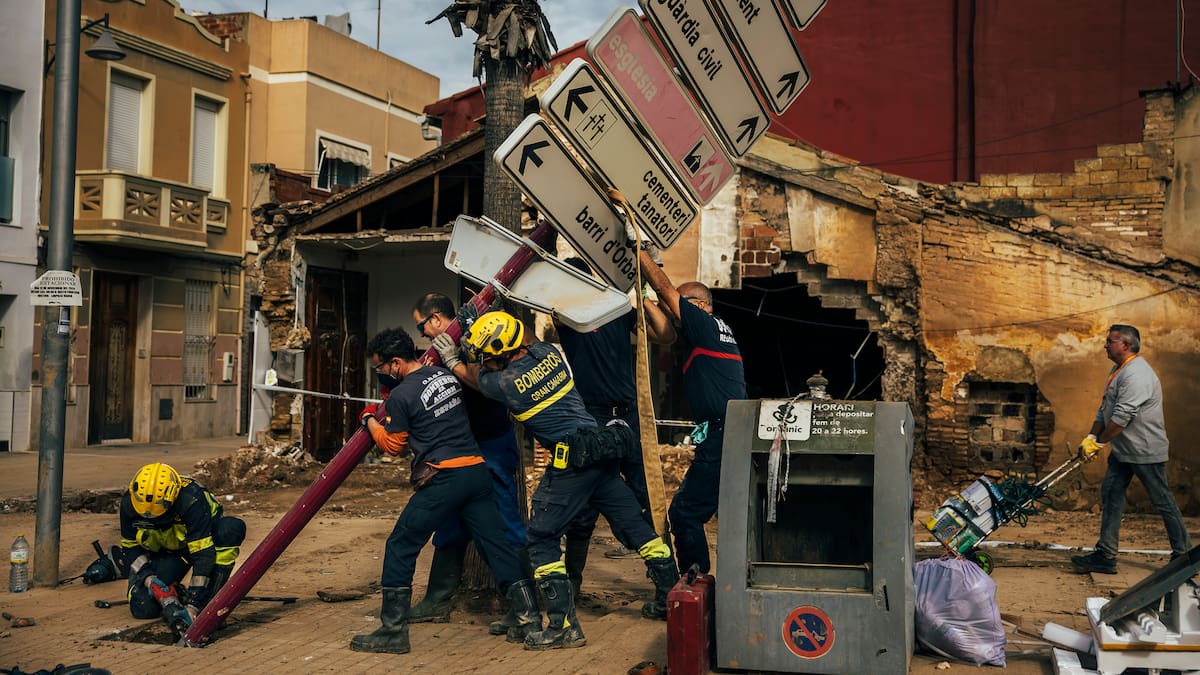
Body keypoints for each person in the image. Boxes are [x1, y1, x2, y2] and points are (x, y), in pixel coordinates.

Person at [432, 311, 680, 651]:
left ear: (502, 354)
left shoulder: (502, 384)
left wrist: (451, 358)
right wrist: (482, 327)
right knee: (635, 527)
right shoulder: (548, 354)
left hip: (572, 462)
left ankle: (562, 626)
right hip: (601, 449)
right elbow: (526, 339)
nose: (485, 361)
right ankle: (671, 600)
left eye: (489, 356)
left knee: (541, 536)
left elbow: (470, 375)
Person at [350, 327, 538, 654]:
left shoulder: (403, 394)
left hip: (445, 478)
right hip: (476, 473)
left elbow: (392, 445)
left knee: (401, 543)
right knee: (496, 546)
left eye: (381, 368)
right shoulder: (443, 376)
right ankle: (529, 618)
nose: (381, 374)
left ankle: (392, 630)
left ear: (396, 364)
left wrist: (369, 419)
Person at [556, 257, 676, 596]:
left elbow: (665, 335)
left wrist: (641, 294)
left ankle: (664, 586)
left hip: (627, 413)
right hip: (591, 416)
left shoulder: (616, 309)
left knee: (645, 494)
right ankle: (573, 584)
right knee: (584, 503)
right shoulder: (565, 315)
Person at [409, 293, 527, 627]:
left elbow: (490, 387)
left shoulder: (477, 339)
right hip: (459, 449)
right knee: (450, 523)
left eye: (422, 326)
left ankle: (524, 605)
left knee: (505, 524)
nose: (423, 335)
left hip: (491, 444)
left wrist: (455, 361)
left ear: (434, 319)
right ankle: (437, 599)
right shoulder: (439, 352)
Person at [636, 249, 746, 576]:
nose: (673, 314)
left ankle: (693, 585)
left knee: (685, 513)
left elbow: (666, 290)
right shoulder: (713, 331)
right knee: (725, 512)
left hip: (722, 436)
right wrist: (643, 301)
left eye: (678, 309)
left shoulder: (702, 322)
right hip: (731, 433)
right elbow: (662, 334)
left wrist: (641, 254)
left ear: (698, 305)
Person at [1071, 324, 1192, 574]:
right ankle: (1106, 555)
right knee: (1112, 495)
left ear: (1125, 345)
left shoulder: (1137, 374)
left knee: (1162, 501)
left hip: (1144, 450)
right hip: (1124, 450)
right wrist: (1091, 436)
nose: (1105, 344)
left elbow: (1122, 416)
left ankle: (1184, 557)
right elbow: (1105, 409)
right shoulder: (1118, 370)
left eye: (1110, 341)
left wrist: (1100, 443)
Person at [120, 462, 246, 624]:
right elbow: (130, 547)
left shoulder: (192, 500)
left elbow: (203, 556)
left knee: (229, 529)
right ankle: (177, 592)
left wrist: (194, 605)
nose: (151, 519)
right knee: (143, 608)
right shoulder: (129, 502)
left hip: (197, 548)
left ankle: (212, 601)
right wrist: (148, 577)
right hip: (164, 551)